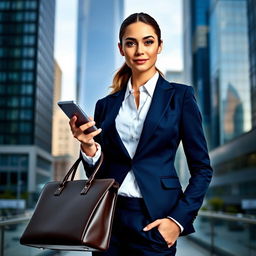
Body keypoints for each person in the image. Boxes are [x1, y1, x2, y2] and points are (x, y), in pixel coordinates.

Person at [69, 12, 213, 256]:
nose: (139, 51)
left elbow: (202, 169)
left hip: (156, 220)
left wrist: (176, 222)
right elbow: (99, 173)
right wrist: (88, 148)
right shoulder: (106, 105)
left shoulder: (181, 97)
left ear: (159, 46)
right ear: (121, 48)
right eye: (131, 43)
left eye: (148, 42)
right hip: (109, 219)